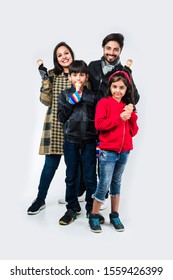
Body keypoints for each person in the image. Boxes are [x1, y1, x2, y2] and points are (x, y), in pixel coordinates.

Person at [88, 32, 140, 210]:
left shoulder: (122, 73)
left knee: (105, 166)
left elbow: (134, 97)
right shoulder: (93, 66)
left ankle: (98, 198)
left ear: (120, 52)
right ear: (103, 48)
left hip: (112, 125)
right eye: (108, 48)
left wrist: (128, 76)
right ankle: (89, 192)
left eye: (115, 49)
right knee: (87, 160)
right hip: (92, 121)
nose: (111, 52)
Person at [27, 42, 77, 215]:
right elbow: (46, 101)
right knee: (49, 166)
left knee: (76, 167)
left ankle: (76, 198)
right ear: (56, 59)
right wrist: (44, 79)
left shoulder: (80, 74)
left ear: (71, 54)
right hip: (55, 125)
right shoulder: (52, 75)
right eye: (59, 55)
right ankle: (40, 198)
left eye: (66, 53)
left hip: (76, 128)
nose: (64, 56)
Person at [88, 70, 139, 233]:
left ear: (126, 89)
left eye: (122, 88)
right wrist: (120, 117)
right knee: (104, 184)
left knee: (116, 183)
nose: (118, 90)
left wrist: (131, 117)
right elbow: (99, 125)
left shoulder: (127, 106)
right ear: (110, 87)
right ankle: (94, 215)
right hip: (107, 152)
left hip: (124, 152)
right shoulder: (104, 103)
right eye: (115, 87)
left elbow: (133, 131)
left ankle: (114, 215)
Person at [58, 60, 104, 225]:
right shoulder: (64, 95)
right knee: (71, 176)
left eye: (82, 74)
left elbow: (98, 121)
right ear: (70, 77)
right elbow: (61, 118)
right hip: (70, 141)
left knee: (91, 177)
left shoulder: (93, 96)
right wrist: (71, 102)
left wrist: (98, 143)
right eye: (75, 74)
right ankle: (72, 208)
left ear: (86, 77)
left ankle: (92, 210)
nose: (78, 77)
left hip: (90, 141)